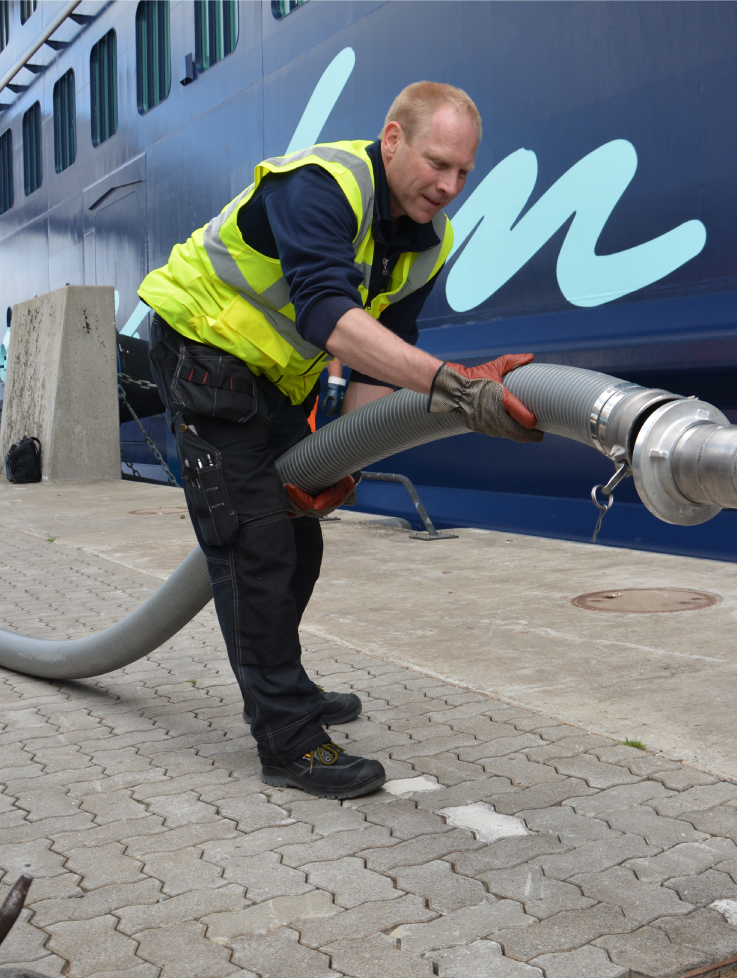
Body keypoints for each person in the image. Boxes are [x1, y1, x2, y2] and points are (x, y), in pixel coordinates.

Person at [139, 82, 542, 800]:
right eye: (436, 163)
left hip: (266, 378)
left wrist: (347, 457)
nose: (448, 187)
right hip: (199, 348)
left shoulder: (429, 242)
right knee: (254, 541)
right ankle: (288, 741)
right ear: (392, 140)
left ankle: (281, 683)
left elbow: (382, 352)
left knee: (302, 538)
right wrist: (456, 388)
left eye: (463, 173)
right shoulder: (322, 186)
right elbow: (329, 313)